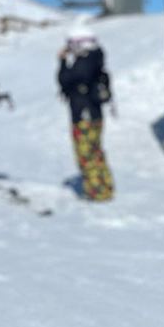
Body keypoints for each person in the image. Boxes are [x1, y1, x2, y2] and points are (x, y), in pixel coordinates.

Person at [57, 29, 115, 201]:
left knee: (86, 154)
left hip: (84, 115)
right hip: (93, 114)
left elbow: (66, 80)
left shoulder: (85, 62)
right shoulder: (96, 59)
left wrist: (62, 62)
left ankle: (97, 191)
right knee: (96, 151)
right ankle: (105, 187)